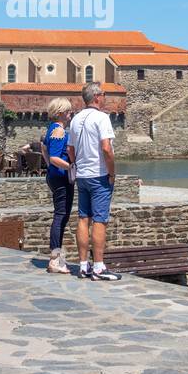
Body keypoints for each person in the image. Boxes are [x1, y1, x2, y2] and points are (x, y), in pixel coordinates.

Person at [67, 82, 121, 281]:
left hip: (82, 176)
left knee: (83, 218)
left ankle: (83, 265)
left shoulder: (75, 120)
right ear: (97, 97)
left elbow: (70, 150)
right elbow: (106, 148)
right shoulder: (102, 118)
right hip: (99, 176)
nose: (105, 97)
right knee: (100, 220)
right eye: (104, 94)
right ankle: (98, 267)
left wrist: (78, 164)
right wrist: (112, 172)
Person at [43, 98, 75, 274]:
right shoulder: (59, 131)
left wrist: (49, 167)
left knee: (61, 216)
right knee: (60, 216)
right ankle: (55, 259)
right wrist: (70, 167)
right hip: (61, 179)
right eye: (69, 111)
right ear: (61, 113)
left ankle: (57, 257)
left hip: (55, 177)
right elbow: (55, 157)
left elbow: (43, 148)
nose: (71, 114)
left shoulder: (51, 130)